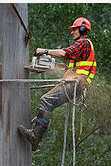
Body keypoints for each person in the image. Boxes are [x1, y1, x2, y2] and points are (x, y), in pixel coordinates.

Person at [18, 17, 97, 151]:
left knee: (47, 100)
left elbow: (65, 53)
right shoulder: (82, 49)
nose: (72, 32)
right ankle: (38, 127)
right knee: (48, 102)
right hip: (75, 84)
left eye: (74, 29)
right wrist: (45, 67)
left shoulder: (83, 43)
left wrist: (45, 51)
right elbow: (71, 68)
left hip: (76, 84)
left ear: (82, 29)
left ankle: (35, 135)